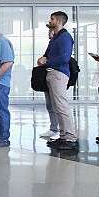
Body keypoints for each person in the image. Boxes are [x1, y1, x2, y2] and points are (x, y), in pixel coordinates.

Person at [38, 11, 78, 150]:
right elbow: (48, 54)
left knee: (61, 106)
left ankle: (70, 138)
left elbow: (64, 58)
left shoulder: (65, 37)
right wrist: (43, 58)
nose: (50, 21)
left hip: (59, 74)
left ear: (59, 22)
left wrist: (46, 61)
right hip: (51, 73)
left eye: (52, 19)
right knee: (56, 106)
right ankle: (63, 136)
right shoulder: (56, 38)